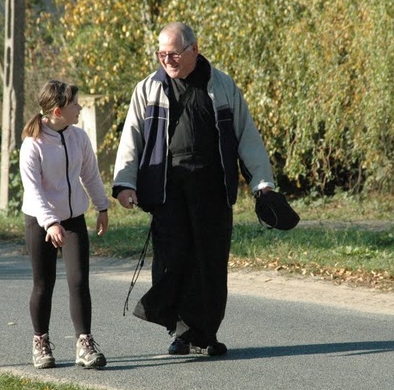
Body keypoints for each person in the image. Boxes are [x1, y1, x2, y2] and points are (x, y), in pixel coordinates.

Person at [112, 22, 275, 356]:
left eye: (173, 53)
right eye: (161, 54)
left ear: (193, 50)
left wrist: (263, 184)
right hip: (167, 189)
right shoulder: (148, 89)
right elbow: (132, 138)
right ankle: (181, 331)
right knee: (174, 259)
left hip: (212, 188)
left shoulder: (222, 86)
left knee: (209, 261)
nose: (166, 60)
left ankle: (205, 334)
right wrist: (125, 183)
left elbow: (247, 137)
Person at [20, 80, 110, 369]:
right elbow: (34, 190)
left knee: (79, 281)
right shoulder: (32, 145)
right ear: (58, 111)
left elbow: (90, 175)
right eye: (74, 105)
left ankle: (84, 344)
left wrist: (102, 206)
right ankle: (40, 342)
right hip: (40, 221)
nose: (79, 108)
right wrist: (50, 223)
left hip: (72, 220)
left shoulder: (78, 138)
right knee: (43, 284)